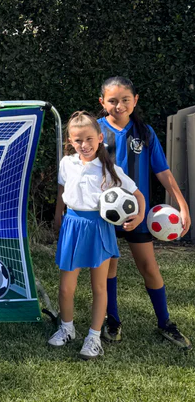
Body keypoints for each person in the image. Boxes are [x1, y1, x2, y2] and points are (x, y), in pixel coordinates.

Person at [98, 76, 192, 348]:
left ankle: (165, 322)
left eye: (125, 100)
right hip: (105, 215)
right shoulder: (96, 130)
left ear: (135, 100)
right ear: (102, 102)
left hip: (138, 214)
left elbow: (162, 171)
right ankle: (112, 320)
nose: (119, 105)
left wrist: (182, 205)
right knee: (109, 267)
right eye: (112, 100)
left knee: (149, 267)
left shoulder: (145, 132)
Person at [49, 111, 145, 360]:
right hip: (72, 226)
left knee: (99, 287)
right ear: (70, 141)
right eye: (78, 140)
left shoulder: (109, 168)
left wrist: (139, 216)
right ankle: (67, 328)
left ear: (100, 138)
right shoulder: (66, 163)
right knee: (66, 288)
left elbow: (137, 195)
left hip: (99, 228)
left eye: (89, 139)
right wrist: (58, 214)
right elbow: (61, 190)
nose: (84, 145)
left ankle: (93, 337)